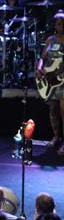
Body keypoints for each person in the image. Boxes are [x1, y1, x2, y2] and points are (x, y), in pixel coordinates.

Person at [36, 10, 64, 153]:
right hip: (50, 80)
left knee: (63, 109)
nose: (62, 26)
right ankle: (56, 136)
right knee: (53, 109)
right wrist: (39, 68)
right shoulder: (50, 40)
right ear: (55, 25)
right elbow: (42, 57)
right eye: (59, 24)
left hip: (62, 80)